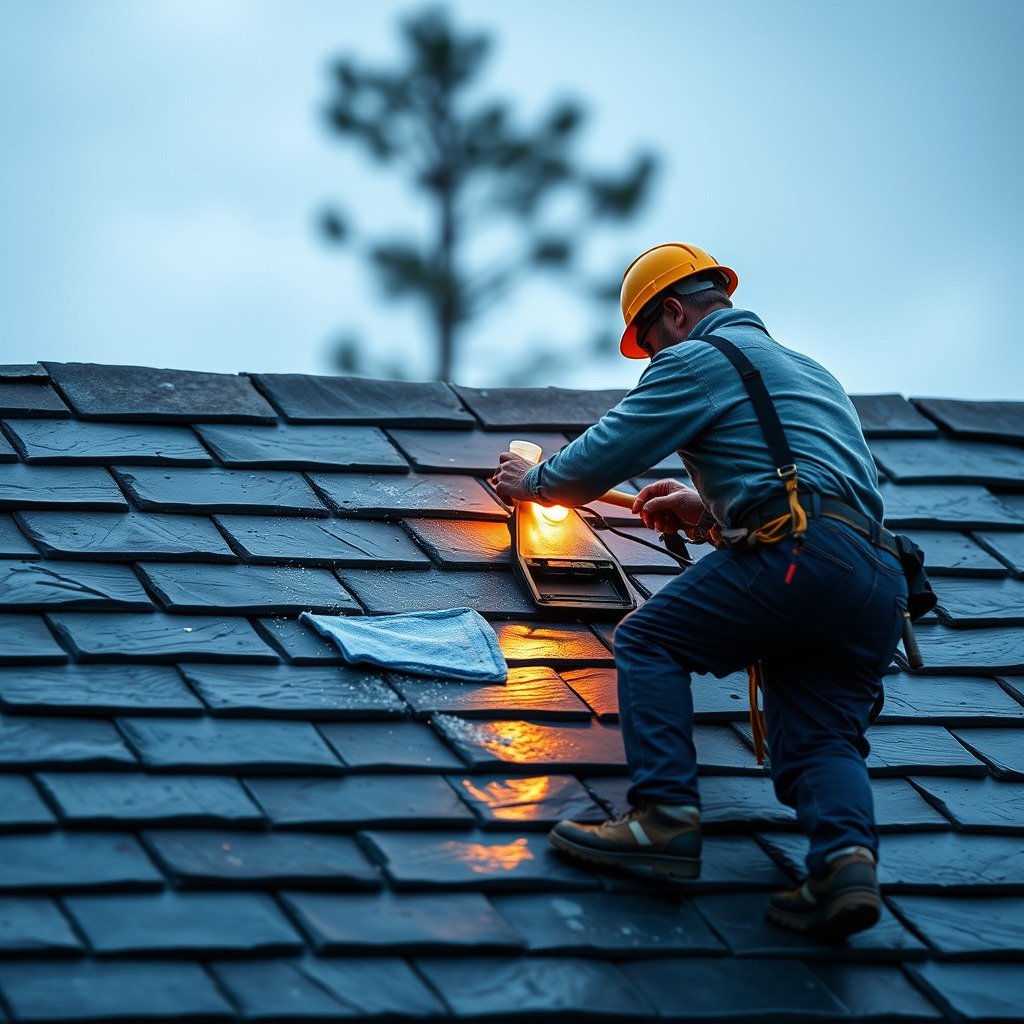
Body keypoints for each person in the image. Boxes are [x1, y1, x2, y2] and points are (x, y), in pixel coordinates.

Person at [492, 242, 908, 941]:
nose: (655, 359)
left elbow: (606, 452)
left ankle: (663, 821)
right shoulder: (811, 371)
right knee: (820, 735)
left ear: (675, 314)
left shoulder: (698, 358)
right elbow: (810, 483)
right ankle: (844, 866)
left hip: (801, 560)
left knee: (649, 639)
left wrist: (533, 482)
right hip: (874, 580)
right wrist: (707, 513)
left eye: (650, 344)